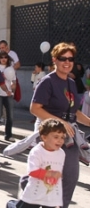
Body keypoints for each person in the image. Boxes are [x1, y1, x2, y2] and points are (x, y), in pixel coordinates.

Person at [30, 42, 90, 208]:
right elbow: (35, 108)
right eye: (63, 58)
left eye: (70, 59)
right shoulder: (47, 81)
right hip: (50, 136)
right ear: (54, 60)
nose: (67, 62)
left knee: (70, 177)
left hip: (68, 137)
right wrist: (60, 122)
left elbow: (75, 113)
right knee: (48, 181)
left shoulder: (71, 83)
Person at [16, 119, 66, 208]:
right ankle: (11, 204)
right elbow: (32, 171)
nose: (60, 140)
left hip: (50, 195)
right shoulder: (37, 152)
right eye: (56, 137)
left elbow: (57, 175)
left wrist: (56, 199)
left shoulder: (61, 153)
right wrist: (51, 174)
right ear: (44, 137)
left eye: (62, 137)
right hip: (34, 192)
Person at [0, 51, 16, 141]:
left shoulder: (11, 68)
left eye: (5, 57)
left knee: (10, 115)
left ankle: (8, 135)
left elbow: (13, 80)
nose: (3, 59)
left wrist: (13, 86)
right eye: (1, 57)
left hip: (9, 94)